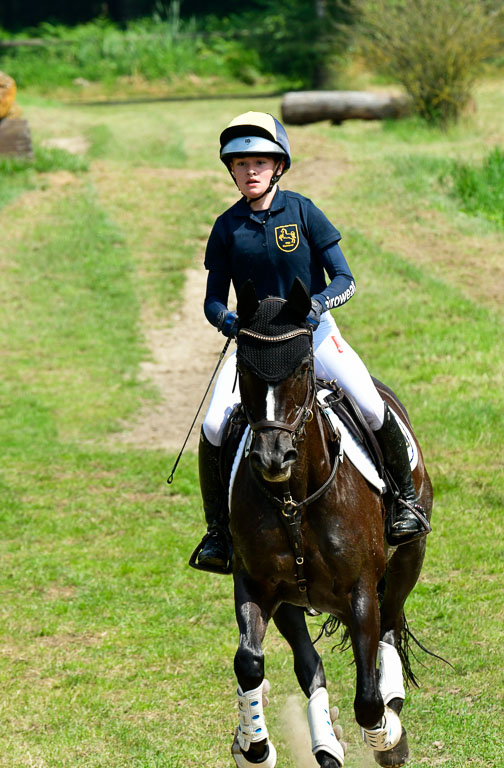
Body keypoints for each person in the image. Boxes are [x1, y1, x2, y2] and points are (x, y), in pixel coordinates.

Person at [194, 111, 429, 572]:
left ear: (278, 166)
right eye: (241, 164)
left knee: (371, 403)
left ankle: (404, 502)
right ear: (231, 171)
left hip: (314, 334)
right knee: (215, 425)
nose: (251, 171)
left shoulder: (303, 211)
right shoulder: (227, 226)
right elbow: (211, 301)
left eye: (260, 162)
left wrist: (320, 304)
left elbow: (345, 278)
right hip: (257, 343)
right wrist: (228, 322)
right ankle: (218, 533)